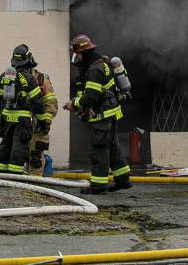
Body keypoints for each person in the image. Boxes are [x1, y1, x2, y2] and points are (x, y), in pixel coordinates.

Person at [65, 35, 131, 195]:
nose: (76, 59)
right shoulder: (101, 65)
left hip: (103, 116)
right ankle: (123, 180)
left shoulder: (95, 70)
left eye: (77, 55)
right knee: (112, 146)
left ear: (85, 53)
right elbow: (92, 93)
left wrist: (74, 104)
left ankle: (98, 185)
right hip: (111, 113)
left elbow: (91, 96)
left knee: (99, 148)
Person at [0, 44, 45, 175]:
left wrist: (5, 111)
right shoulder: (29, 78)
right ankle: (14, 176)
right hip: (22, 119)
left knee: (5, 144)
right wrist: (42, 120)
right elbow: (38, 103)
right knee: (19, 147)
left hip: (6, 118)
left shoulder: (4, 76)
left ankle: (1, 173)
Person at [25, 50, 58, 176]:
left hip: (38, 127)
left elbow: (51, 103)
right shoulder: (14, 78)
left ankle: (35, 185)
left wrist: (45, 121)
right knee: (19, 155)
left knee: (35, 157)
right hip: (20, 126)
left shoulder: (41, 80)